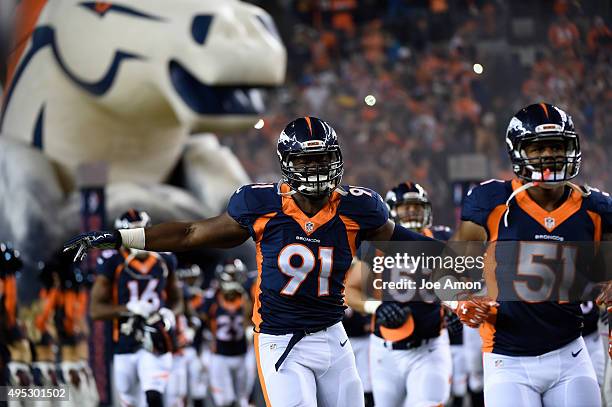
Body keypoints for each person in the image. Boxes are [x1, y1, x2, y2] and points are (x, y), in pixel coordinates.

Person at [64, 116, 431, 407]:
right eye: (308, 160)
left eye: (323, 159)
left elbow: (408, 242)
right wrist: (120, 237)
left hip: (333, 335)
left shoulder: (357, 207)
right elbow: (191, 233)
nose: (317, 168)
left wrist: (465, 261)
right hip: (282, 341)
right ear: (288, 164)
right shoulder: (261, 206)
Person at [453, 103, 608, 407]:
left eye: (557, 146)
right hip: (508, 359)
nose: (549, 155)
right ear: (518, 152)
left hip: (571, 353)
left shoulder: (595, 208)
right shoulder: (491, 202)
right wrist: (457, 299)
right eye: (539, 148)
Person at [346, 181, 454, 407]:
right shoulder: (374, 245)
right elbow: (350, 290)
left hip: (430, 346)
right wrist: (377, 307)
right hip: (385, 350)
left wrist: (456, 307)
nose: (413, 211)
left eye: (417, 206)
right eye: (406, 206)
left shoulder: (441, 239)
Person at [89, 210, 182, 407]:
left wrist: (169, 313)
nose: (139, 237)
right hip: (125, 339)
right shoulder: (112, 262)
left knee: (153, 396)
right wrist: (128, 308)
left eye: (143, 231)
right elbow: (95, 310)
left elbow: (178, 301)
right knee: (129, 401)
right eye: (133, 232)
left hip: (155, 337)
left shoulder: (165, 259)